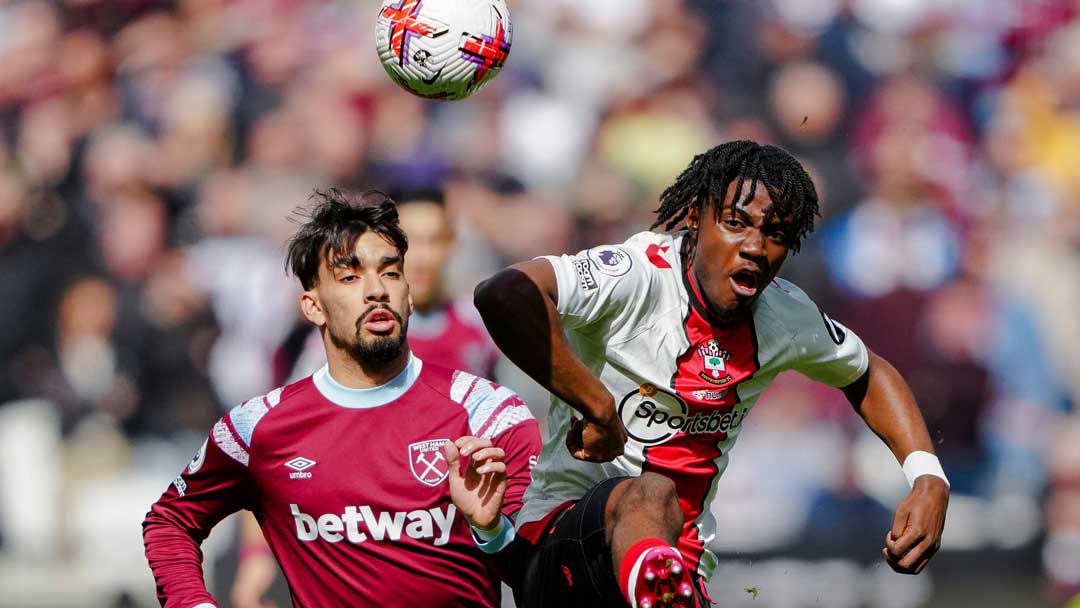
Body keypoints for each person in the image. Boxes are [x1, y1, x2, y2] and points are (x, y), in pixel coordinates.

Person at [462, 140, 951, 608]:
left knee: (659, 508)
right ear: (695, 218)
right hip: (558, 546)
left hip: (674, 569)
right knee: (651, 490)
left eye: (775, 233)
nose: (754, 247)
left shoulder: (784, 316)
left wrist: (927, 475)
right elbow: (505, 293)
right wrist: (596, 403)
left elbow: (867, 371)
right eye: (735, 223)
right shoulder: (636, 276)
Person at [142, 189, 541, 608]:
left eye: (390, 272)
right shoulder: (258, 426)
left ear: (407, 292)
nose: (376, 290)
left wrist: (492, 531)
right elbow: (169, 521)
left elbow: (546, 572)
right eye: (350, 277)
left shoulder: (493, 414)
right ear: (312, 306)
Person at [225, 188, 503, 608]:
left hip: (459, 540)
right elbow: (274, 448)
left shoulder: (478, 330)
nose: (423, 256)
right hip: (360, 533)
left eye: (435, 240)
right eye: (414, 242)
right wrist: (255, 559)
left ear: (452, 246)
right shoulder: (338, 340)